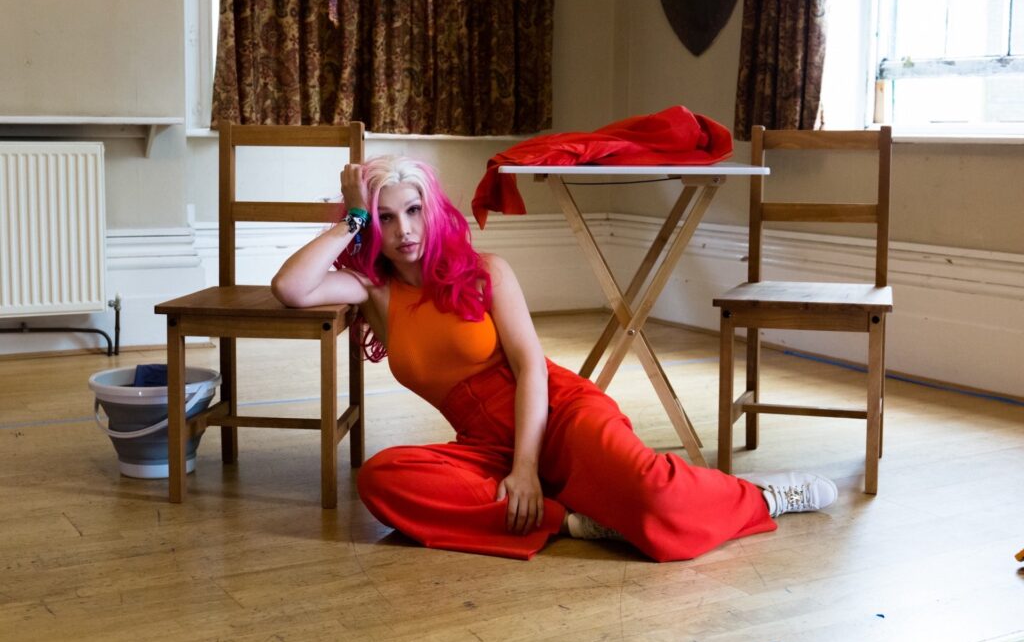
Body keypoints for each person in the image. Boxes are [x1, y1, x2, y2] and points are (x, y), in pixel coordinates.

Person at [271, 155, 838, 562]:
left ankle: (761, 495)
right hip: (482, 445)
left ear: (434, 211)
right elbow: (291, 288)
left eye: (413, 210)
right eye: (387, 218)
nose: (404, 231)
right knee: (383, 480)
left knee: (655, 499)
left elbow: (530, 370)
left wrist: (524, 468)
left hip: (557, 413)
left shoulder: (486, 271)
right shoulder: (374, 292)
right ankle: (573, 520)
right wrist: (353, 218)